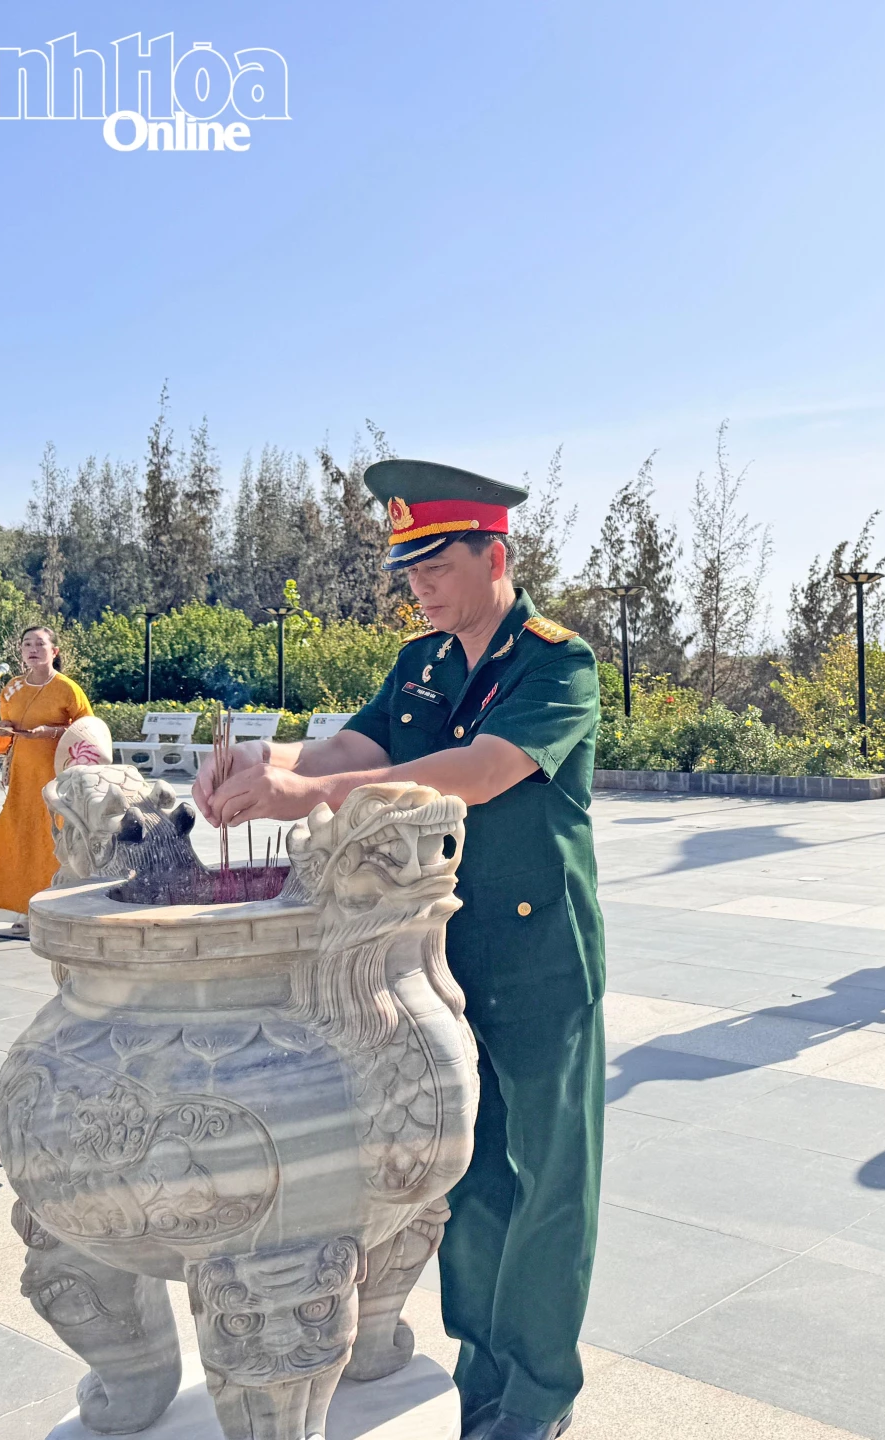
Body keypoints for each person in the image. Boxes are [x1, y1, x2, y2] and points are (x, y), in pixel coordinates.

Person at [197, 458, 604, 1440]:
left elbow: (481, 768)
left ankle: (540, 1391)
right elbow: (354, 749)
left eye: (435, 563)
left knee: (548, 1177)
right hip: (439, 952)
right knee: (466, 1171)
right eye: (408, 568)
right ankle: (485, 1376)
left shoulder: (557, 661)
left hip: (540, 953)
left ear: (492, 554)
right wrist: (271, 761)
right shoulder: (421, 663)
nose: (417, 585)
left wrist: (314, 795)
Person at [0, 625, 93, 935]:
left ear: (54, 651)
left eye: (39, 644)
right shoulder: (11, 689)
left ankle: (58, 908)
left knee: (53, 841)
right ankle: (24, 909)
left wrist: (54, 732)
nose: (32, 649)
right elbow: (2, 743)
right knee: (18, 841)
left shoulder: (67, 689)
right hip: (22, 779)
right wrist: (1, 729)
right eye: (26, 644)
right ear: (20, 651)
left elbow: (90, 732)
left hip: (57, 778)